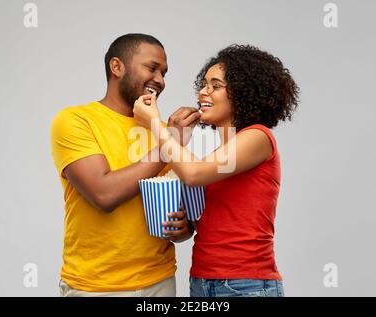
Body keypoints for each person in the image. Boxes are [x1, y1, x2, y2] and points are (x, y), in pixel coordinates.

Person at [133, 44, 299, 297]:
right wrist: (186, 228)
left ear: (243, 93)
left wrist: (154, 122)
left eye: (215, 86)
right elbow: (216, 219)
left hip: (246, 285)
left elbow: (193, 173)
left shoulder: (258, 137)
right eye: (204, 84)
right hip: (202, 281)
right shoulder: (217, 155)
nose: (203, 92)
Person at [50, 33, 199, 297]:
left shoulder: (163, 132)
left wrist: (184, 227)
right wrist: (170, 144)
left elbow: (178, 200)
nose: (160, 80)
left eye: (164, 73)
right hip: (97, 287)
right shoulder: (75, 120)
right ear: (117, 67)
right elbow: (104, 194)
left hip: (161, 281)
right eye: (152, 68)